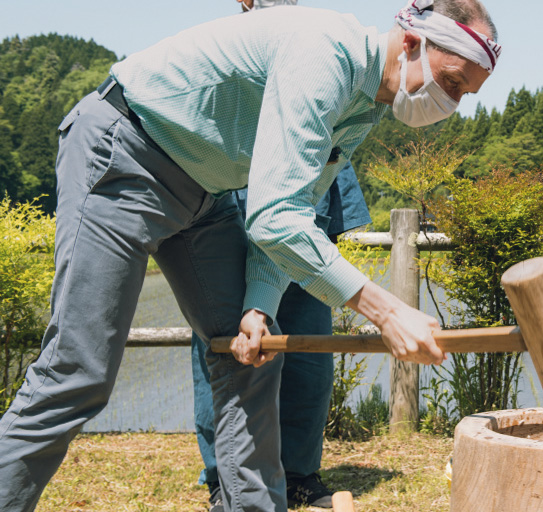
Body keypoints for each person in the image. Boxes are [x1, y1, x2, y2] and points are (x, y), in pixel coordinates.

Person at [0, 1, 500, 511]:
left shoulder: (366, 102)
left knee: (252, 352)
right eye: (453, 82)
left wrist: (259, 305)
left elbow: (295, 206)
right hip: (126, 154)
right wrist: (387, 310)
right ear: (413, 43)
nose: (451, 102)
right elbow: (275, 217)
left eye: (465, 94)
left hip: (206, 193)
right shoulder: (323, 52)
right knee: (77, 372)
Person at [188, 1, 367, 510]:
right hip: (229, 204)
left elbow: (329, 134)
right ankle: (226, 475)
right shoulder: (226, 46)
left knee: (309, 347)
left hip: (309, 210)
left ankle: (299, 473)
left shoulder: (322, 41)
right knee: (227, 348)